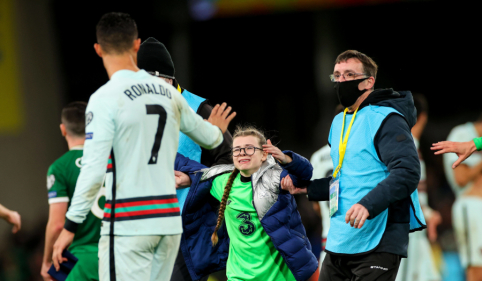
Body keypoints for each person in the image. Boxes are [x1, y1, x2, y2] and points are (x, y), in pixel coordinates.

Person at [51, 12, 235, 281]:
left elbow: (91, 172)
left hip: (128, 223)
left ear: (98, 49)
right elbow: (212, 139)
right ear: (136, 46)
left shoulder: (104, 99)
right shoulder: (168, 94)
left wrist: (70, 226)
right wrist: (217, 130)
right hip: (169, 224)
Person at [282, 50, 425, 281]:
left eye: (349, 75)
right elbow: (347, 177)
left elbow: (408, 172)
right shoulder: (339, 121)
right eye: (337, 75)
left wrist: (368, 204)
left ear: (369, 82)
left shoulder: (388, 118)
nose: (341, 81)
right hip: (340, 238)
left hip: (378, 237)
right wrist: (308, 188)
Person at [137, 37, 233, 281]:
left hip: (190, 226)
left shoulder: (200, 110)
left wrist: (193, 179)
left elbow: (232, 168)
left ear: (167, 79)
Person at [173, 125, 318, 281]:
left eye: (249, 148)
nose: (242, 153)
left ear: (263, 155)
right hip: (239, 276)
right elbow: (191, 168)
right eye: (237, 149)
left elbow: (304, 173)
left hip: (279, 275)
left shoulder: (275, 177)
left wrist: (286, 158)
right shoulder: (222, 181)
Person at [41, 102, 104, 281]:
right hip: (118, 256)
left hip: (83, 260)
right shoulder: (110, 160)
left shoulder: (60, 168)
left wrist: (46, 262)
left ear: (63, 129)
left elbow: (57, 224)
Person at [395, 94, 441, 281]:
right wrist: (428, 214)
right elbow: (404, 189)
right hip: (408, 229)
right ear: (423, 117)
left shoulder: (402, 144)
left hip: (412, 227)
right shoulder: (407, 145)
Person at [434, 115, 482, 281]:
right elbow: (460, 178)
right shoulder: (462, 134)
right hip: (473, 207)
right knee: (477, 271)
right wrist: (475, 145)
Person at [309, 104, 344, 270]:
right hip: (360, 244)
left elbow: (315, 204)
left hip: (328, 242)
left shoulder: (317, 157)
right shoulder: (364, 153)